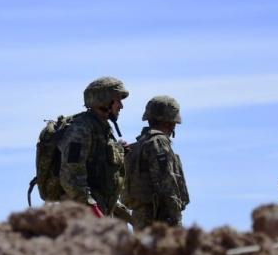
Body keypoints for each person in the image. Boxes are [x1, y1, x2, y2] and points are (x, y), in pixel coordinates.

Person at [58, 77, 131, 221]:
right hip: (83, 217)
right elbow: (71, 176)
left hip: (99, 213)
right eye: (118, 100)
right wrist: (92, 209)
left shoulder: (102, 129)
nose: (121, 106)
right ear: (105, 100)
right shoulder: (81, 129)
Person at [122, 95, 189, 230]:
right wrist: (175, 217)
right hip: (159, 218)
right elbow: (166, 181)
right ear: (170, 121)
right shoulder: (158, 142)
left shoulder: (139, 145)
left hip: (141, 217)